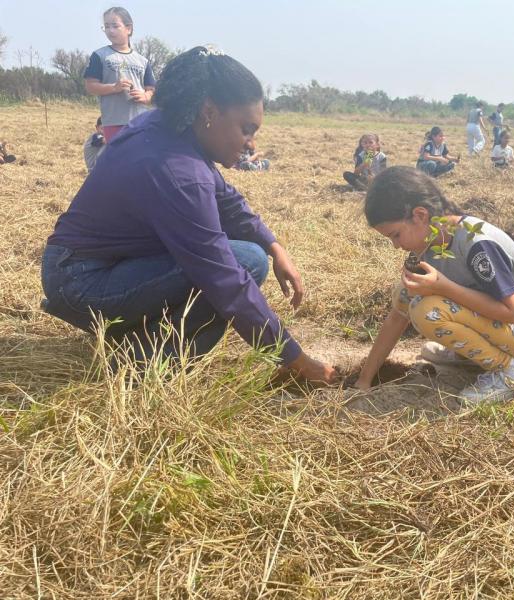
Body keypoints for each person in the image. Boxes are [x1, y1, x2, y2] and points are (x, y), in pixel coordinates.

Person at [41, 46, 336, 384]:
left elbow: (227, 201)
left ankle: (130, 335)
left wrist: (275, 246)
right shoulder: (175, 171)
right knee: (245, 263)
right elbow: (224, 279)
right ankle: (143, 361)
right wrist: (298, 361)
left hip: (85, 267)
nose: (251, 143)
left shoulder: (169, 128)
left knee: (254, 255)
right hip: (82, 281)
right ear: (209, 111)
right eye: (246, 128)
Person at [354, 166, 514, 404]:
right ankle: (468, 355)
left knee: (427, 311)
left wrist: (443, 287)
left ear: (420, 215)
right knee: (404, 294)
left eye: (395, 235)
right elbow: (397, 316)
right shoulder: (428, 243)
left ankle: (509, 372)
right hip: (501, 321)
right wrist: (364, 381)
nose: (396, 246)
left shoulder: (475, 244)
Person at [84, 7, 156, 143]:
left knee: (137, 160)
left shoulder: (142, 61)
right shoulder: (100, 56)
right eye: (106, 26)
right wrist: (114, 88)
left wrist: (146, 96)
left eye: (115, 26)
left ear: (128, 28)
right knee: (119, 159)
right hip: (113, 122)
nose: (110, 30)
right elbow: (90, 86)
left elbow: (151, 88)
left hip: (140, 121)